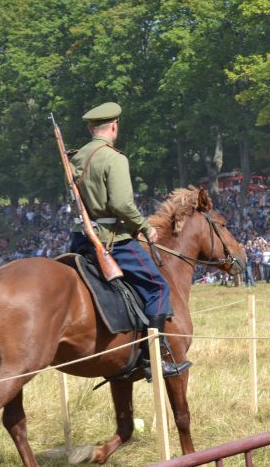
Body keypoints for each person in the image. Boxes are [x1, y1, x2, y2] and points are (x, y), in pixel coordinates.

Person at [67, 101, 190, 379]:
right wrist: (145, 228)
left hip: (79, 240)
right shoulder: (113, 158)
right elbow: (122, 204)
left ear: (90, 128)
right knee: (158, 288)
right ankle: (154, 358)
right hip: (112, 240)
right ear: (114, 126)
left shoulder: (75, 158)